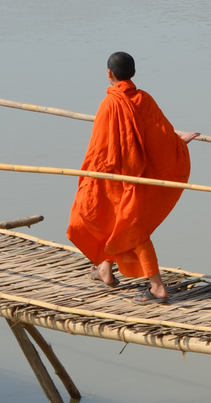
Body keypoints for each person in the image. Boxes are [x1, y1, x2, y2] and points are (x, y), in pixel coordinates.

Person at [66, 52, 199, 303]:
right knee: (118, 223)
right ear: (134, 74)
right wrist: (179, 144)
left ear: (109, 74)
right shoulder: (144, 99)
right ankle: (105, 269)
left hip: (116, 178)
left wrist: (89, 177)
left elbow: (99, 148)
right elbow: (161, 137)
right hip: (136, 178)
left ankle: (157, 287)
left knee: (129, 229)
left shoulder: (109, 104)